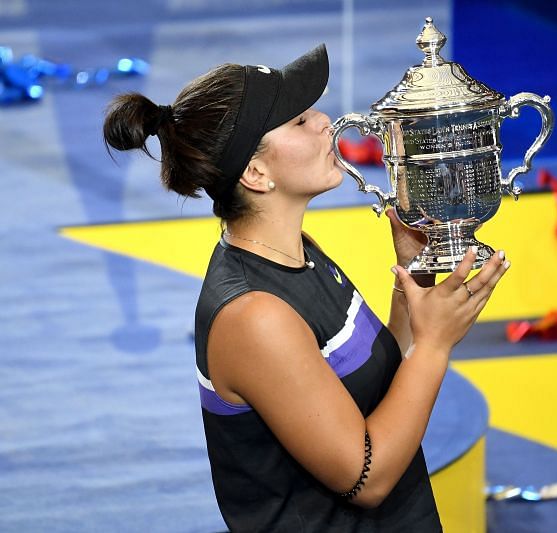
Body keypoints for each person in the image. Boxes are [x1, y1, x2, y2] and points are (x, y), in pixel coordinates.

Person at [102, 44, 510, 532]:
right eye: (298, 121)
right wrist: (436, 346)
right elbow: (366, 477)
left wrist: (413, 270)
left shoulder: (298, 251)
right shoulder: (254, 316)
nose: (323, 121)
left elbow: (380, 389)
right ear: (256, 173)